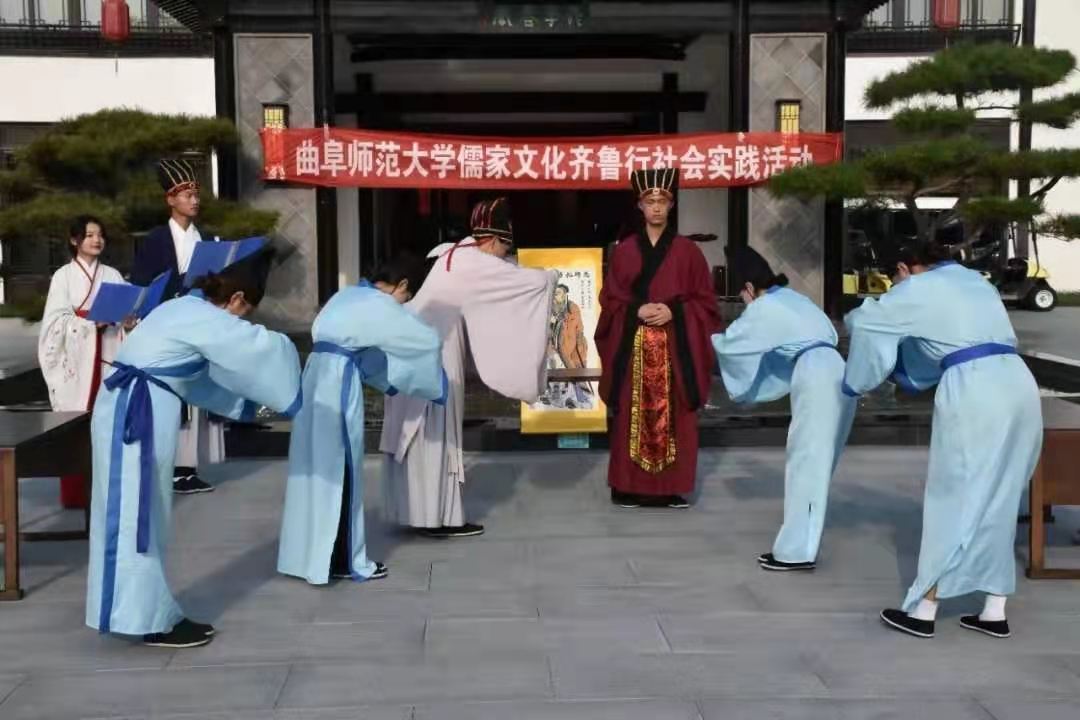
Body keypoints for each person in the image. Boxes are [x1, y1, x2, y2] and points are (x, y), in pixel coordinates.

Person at [85, 248, 301, 649]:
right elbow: (257, 348)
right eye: (246, 312)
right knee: (137, 517)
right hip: (136, 414)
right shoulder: (204, 318)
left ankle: (139, 611)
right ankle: (147, 620)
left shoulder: (183, 307)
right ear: (236, 298)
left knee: (141, 514)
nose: (243, 321)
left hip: (135, 408)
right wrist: (294, 375)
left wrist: (244, 405)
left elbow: (193, 376)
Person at [843, 241, 1042, 640]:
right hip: (1020, 383)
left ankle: (925, 609)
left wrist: (859, 379)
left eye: (895, 277)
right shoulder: (978, 282)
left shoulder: (916, 287)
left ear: (905, 267)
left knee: (953, 495)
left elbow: (865, 323)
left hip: (974, 386)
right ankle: (994, 610)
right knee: (1001, 496)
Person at [381, 197, 556, 538]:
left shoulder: (451, 251)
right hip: (436, 354)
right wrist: (551, 276)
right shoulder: (477, 262)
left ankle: (417, 512)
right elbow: (530, 283)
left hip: (410, 349)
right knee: (436, 434)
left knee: (416, 434)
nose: (505, 255)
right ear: (491, 241)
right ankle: (437, 517)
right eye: (505, 247)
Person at [278, 254, 447, 585]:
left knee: (315, 468)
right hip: (338, 383)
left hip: (314, 377)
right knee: (343, 470)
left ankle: (307, 556)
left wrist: (387, 377)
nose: (404, 303)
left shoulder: (345, 295)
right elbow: (426, 341)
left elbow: (359, 347)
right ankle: (345, 560)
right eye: (407, 296)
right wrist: (428, 381)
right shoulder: (380, 305)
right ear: (402, 285)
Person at [712, 245, 855, 571]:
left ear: (749, 288)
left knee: (806, 462)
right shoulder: (796, 299)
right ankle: (800, 546)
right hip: (837, 370)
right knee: (817, 464)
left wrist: (703, 341)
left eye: (743, 295)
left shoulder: (764, 308)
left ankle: (795, 552)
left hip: (815, 376)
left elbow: (731, 344)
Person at [595, 168, 721, 509]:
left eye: (662, 201)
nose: (655, 207)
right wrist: (635, 309)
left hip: (675, 350)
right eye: (649, 201)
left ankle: (670, 488)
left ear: (671, 205)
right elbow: (611, 299)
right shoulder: (624, 251)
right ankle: (626, 485)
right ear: (639, 205)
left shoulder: (688, 252)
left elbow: (706, 303)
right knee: (629, 417)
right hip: (634, 347)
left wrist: (674, 311)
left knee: (675, 417)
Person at [131, 157, 224, 495]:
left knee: (195, 397)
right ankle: (166, 466)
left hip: (198, 326)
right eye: (187, 195)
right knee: (170, 396)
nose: (194, 200)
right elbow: (142, 283)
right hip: (166, 328)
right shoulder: (156, 240)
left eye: (196, 194)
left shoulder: (207, 238)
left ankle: (188, 467)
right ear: (170, 199)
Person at [39, 216, 129, 509]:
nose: (96, 240)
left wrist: (128, 321)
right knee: (75, 426)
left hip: (109, 352)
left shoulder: (113, 274)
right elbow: (55, 322)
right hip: (77, 358)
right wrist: (90, 324)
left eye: (100, 234)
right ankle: (76, 494)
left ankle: (109, 492)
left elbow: (125, 313)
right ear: (74, 240)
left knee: (109, 423)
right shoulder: (63, 276)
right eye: (89, 235)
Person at [543, 283, 593, 409]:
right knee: (554, 367)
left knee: (576, 371)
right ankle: (556, 397)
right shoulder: (548, 310)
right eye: (553, 293)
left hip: (573, 347)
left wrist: (580, 347)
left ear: (564, 294)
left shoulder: (572, 309)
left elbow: (578, 330)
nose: (554, 296)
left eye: (557, 293)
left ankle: (580, 398)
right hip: (555, 348)